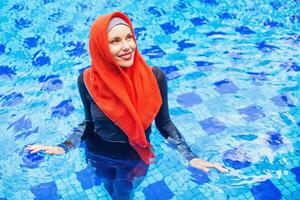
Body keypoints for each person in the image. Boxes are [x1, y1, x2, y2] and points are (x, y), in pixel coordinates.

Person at [27, 11, 227, 199]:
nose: (127, 47)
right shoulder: (87, 80)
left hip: (133, 156)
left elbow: (164, 123)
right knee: (108, 185)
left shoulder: (154, 77)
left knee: (123, 193)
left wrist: (190, 156)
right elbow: (89, 123)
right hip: (97, 153)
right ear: (101, 48)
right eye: (115, 41)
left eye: (129, 37)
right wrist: (65, 146)